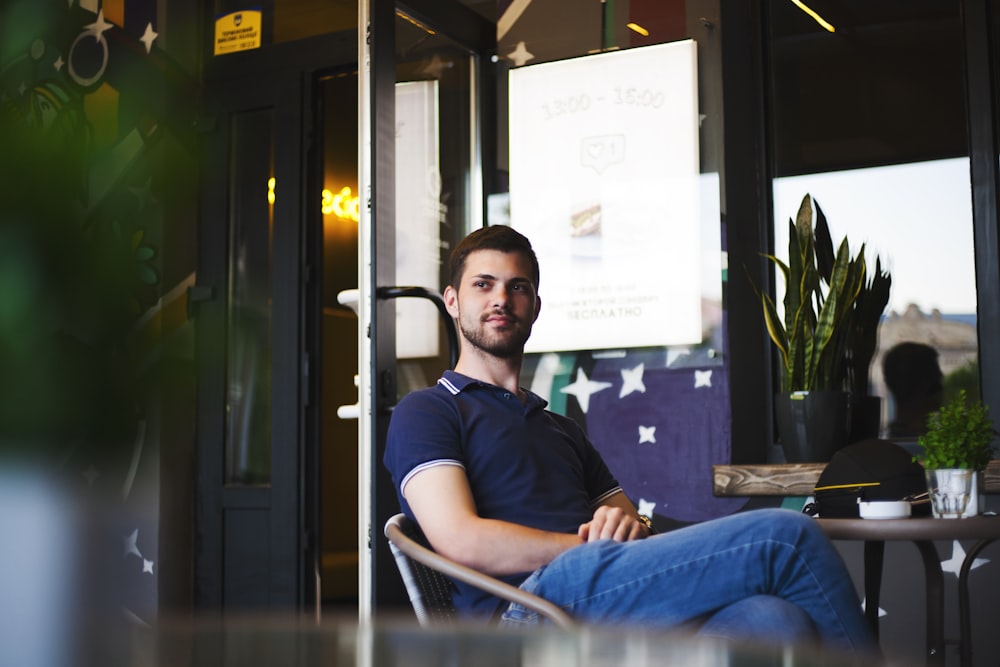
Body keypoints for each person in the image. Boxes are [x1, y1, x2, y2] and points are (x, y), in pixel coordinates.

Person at [384, 225, 876, 655]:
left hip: (599, 596)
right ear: (452, 300)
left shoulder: (560, 429)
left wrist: (622, 524)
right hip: (526, 616)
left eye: (518, 287)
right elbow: (459, 539)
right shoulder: (428, 409)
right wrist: (584, 549)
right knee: (785, 536)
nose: (500, 299)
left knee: (773, 620)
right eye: (483, 285)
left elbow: (633, 523)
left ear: (534, 305)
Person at [882, 341, 944, 438]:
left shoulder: (887, 443)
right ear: (925, 384)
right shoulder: (930, 446)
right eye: (938, 379)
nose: (942, 388)